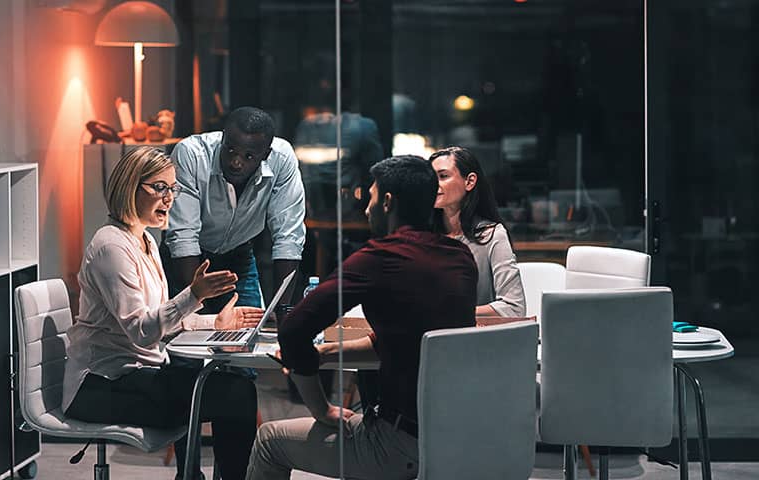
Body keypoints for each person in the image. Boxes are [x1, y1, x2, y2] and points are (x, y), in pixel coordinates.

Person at [246, 156, 478, 480]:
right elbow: (410, 342)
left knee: (270, 440)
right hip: (456, 438)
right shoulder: (460, 257)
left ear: (387, 202)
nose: (367, 209)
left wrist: (322, 409)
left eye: (370, 198)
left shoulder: (379, 258)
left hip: (399, 445)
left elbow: (294, 330)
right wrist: (327, 352)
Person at [63, 147, 266, 480]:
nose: (169, 198)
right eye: (159, 187)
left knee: (229, 388)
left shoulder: (144, 240)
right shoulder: (111, 247)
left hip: (136, 376)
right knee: (234, 394)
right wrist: (194, 295)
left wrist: (214, 322)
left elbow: (159, 321)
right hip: (99, 386)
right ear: (130, 187)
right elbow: (142, 331)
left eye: (173, 188)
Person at [164, 107, 306, 314]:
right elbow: (183, 238)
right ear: (223, 139)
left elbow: (288, 237)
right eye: (230, 150)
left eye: (249, 156)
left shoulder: (281, 159)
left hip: (238, 258)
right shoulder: (192, 154)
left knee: (249, 329)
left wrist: (282, 309)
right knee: (189, 330)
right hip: (187, 261)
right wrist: (197, 309)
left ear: (265, 155)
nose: (236, 162)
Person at [429, 146, 525, 317]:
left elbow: (514, 308)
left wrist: (454, 315)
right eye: (430, 178)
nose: (434, 184)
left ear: (470, 181)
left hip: (473, 332)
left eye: (443, 176)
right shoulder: (422, 236)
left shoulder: (492, 235)